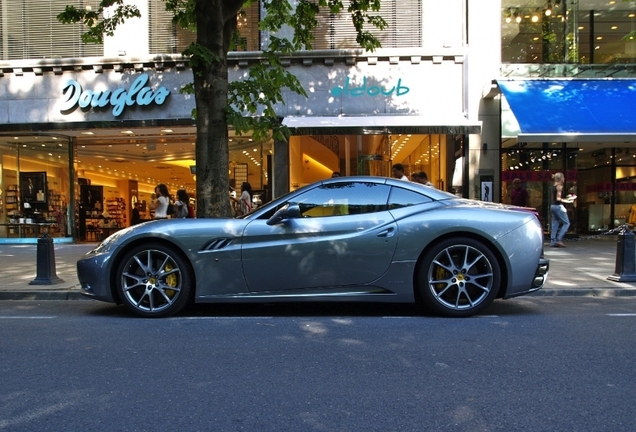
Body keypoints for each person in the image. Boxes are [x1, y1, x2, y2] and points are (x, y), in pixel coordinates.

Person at [550, 172, 571, 248]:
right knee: (566, 223)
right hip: (558, 206)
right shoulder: (559, 186)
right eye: (563, 177)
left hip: (552, 206)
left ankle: (553, 241)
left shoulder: (554, 186)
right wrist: (567, 201)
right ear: (560, 178)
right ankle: (559, 239)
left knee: (555, 224)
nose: (564, 179)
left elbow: (554, 198)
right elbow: (558, 198)